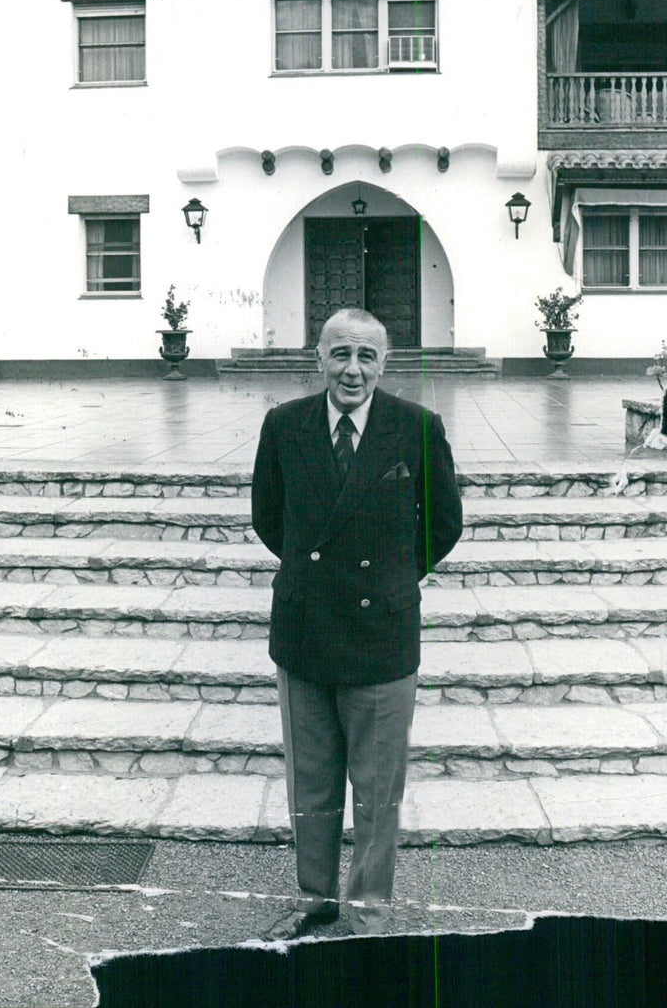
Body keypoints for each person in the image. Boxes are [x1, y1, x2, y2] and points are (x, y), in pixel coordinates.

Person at [251, 307, 462, 940]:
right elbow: (270, 516)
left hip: (381, 633)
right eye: (341, 354)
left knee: (376, 791)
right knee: (311, 786)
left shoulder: (418, 427)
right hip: (306, 630)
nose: (353, 369)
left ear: (385, 363)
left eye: (367, 356)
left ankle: (368, 911)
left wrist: (392, 578)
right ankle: (313, 898)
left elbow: (444, 523)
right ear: (318, 359)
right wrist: (316, 581)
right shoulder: (284, 425)